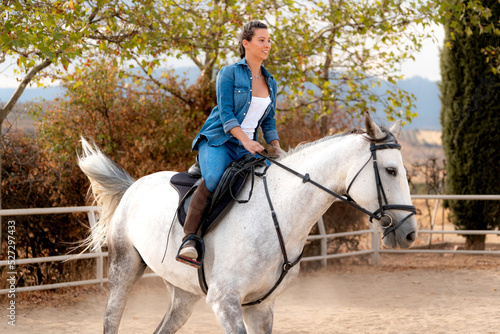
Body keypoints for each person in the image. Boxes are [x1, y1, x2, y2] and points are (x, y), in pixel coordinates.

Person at [177, 20, 282, 263]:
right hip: (219, 140)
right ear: (246, 43)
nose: (267, 44)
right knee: (214, 178)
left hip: (249, 146)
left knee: (271, 183)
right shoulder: (229, 73)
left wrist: (275, 145)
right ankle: (190, 238)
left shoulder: (271, 81)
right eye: (261, 40)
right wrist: (246, 141)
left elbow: (269, 120)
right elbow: (226, 114)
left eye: (268, 40)